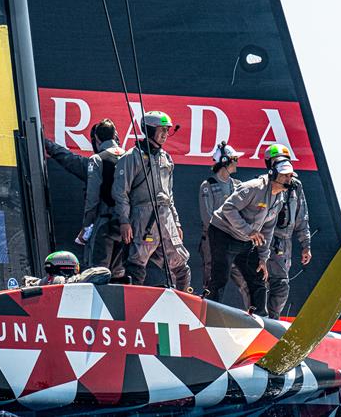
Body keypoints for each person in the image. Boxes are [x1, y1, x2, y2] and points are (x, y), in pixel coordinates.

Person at [113, 111, 191, 290]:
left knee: (181, 264)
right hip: (143, 217)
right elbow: (120, 192)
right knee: (136, 264)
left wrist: (176, 223)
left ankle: (185, 304)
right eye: (161, 129)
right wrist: (124, 221)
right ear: (148, 130)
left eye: (167, 130)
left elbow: (169, 195)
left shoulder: (166, 158)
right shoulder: (131, 157)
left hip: (166, 218)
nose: (165, 134)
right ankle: (134, 305)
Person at [207, 156, 294, 316]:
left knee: (259, 277)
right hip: (223, 233)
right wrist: (248, 231)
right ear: (273, 174)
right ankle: (209, 313)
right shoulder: (254, 188)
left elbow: (268, 228)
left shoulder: (279, 198)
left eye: (290, 175)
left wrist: (263, 258)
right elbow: (228, 209)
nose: (289, 178)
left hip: (245, 240)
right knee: (220, 277)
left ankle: (260, 317)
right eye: (285, 175)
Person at [43, 120, 125, 278]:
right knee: (118, 274)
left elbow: (69, 159)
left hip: (104, 225)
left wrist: (87, 226)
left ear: (97, 140)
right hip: (128, 227)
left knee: (96, 272)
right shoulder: (133, 159)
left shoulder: (96, 161)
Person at [261, 144, 312, 319]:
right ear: (269, 164)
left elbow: (301, 216)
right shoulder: (263, 185)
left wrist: (306, 245)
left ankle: (272, 321)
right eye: (277, 161)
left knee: (281, 285)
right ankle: (261, 319)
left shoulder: (296, 186)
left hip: (284, 243)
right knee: (262, 284)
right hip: (265, 240)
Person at [198, 141, 242, 289]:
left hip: (234, 241)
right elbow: (207, 218)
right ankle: (207, 311)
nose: (237, 163)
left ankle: (255, 312)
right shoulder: (208, 185)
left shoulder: (238, 186)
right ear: (225, 161)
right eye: (234, 159)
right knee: (212, 281)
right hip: (214, 241)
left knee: (245, 280)